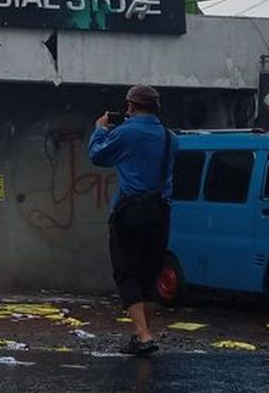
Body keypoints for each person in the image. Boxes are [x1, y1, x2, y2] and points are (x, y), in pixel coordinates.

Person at [88, 85, 178, 356]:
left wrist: (100, 129)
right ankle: (143, 336)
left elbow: (97, 156)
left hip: (130, 211)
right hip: (160, 212)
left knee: (126, 272)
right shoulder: (170, 137)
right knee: (149, 273)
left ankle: (143, 334)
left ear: (130, 106)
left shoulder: (126, 132)